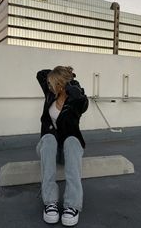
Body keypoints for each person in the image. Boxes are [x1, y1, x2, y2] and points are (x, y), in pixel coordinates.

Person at [36, 66, 89, 226]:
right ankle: (50, 202)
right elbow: (41, 74)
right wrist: (63, 72)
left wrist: (72, 86)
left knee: (72, 141)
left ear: (60, 84)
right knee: (49, 139)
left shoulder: (76, 99)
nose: (50, 86)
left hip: (69, 150)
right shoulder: (50, 93)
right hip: (48, 147)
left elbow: (84, 104)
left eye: (54, 83)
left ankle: (72, 205)